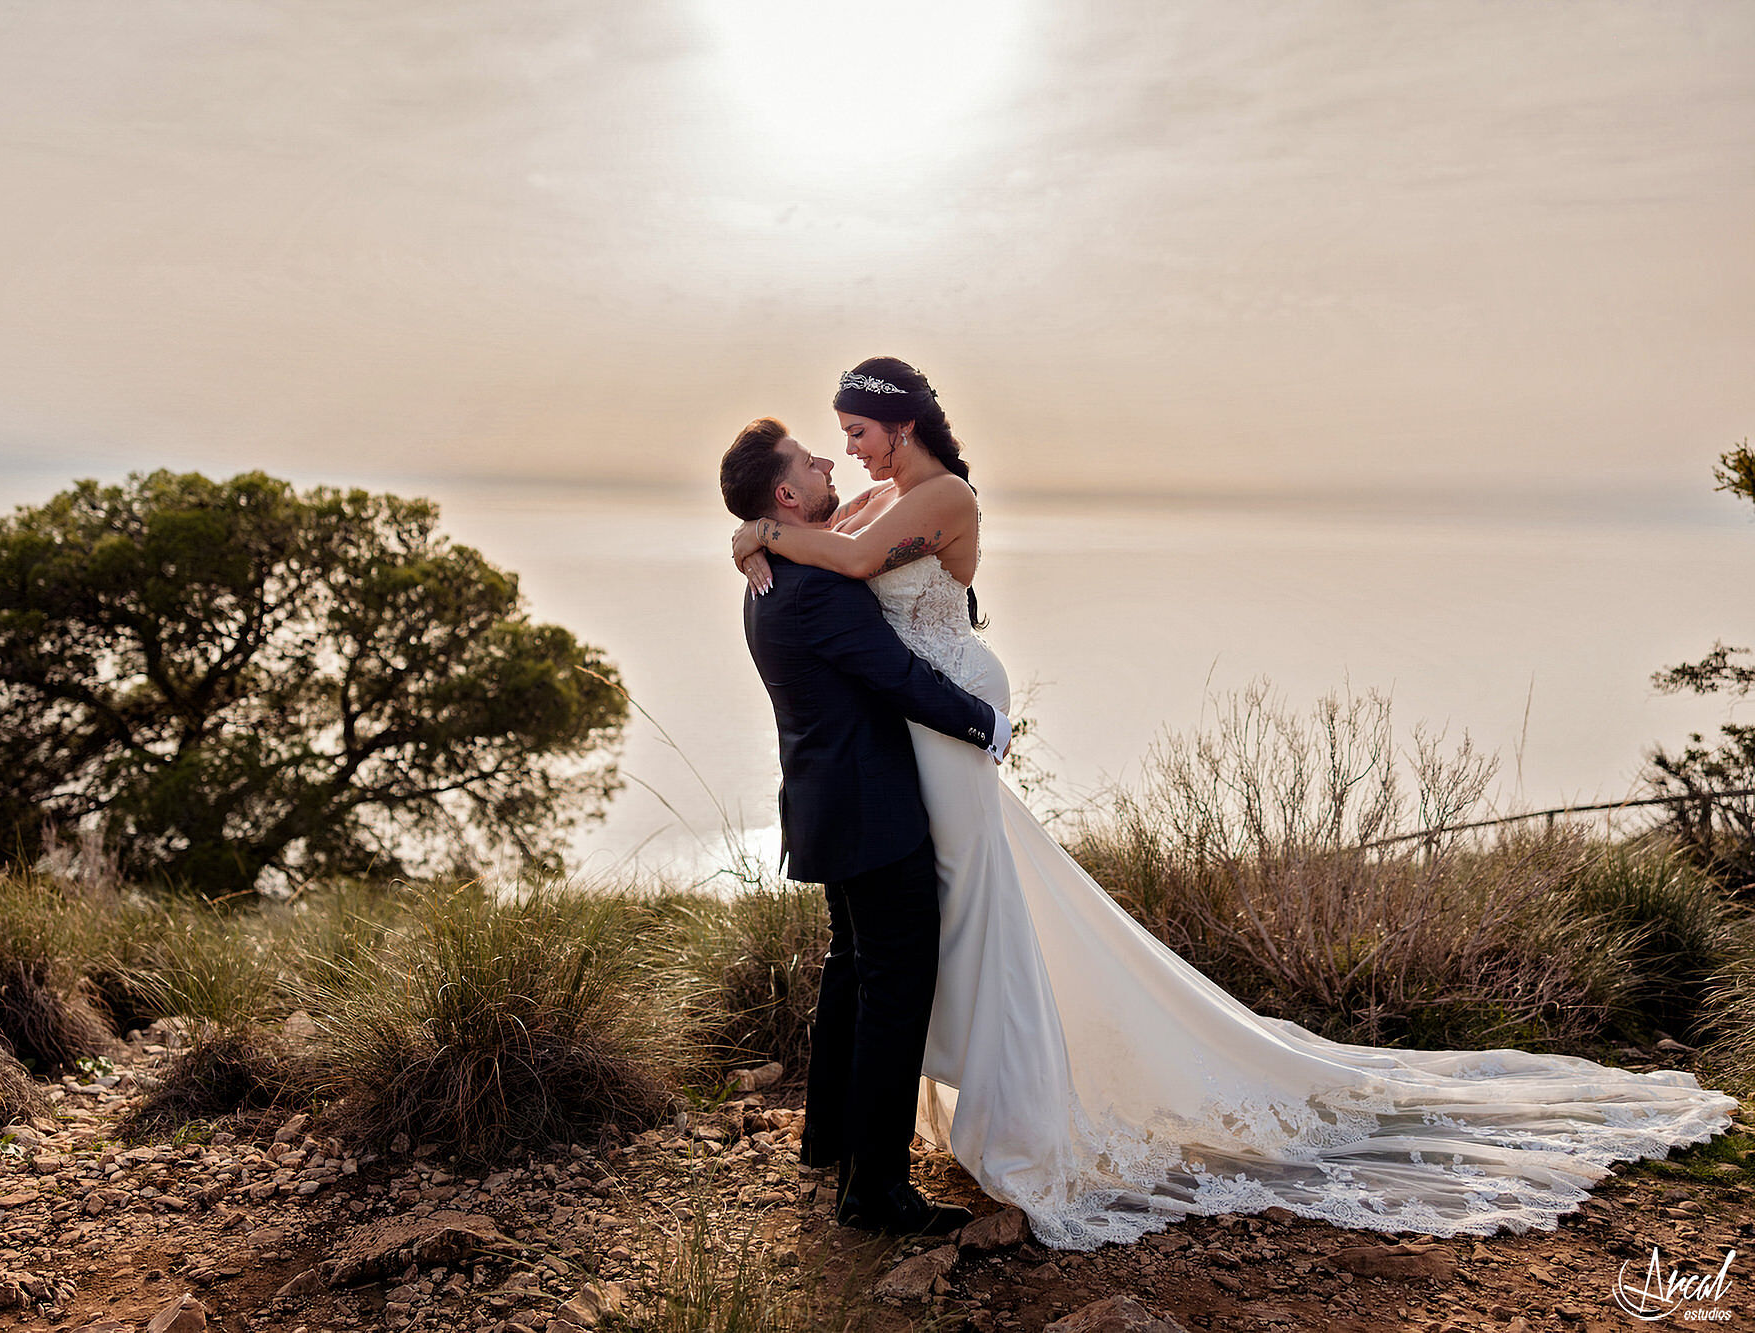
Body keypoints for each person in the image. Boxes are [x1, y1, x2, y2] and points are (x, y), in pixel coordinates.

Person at [727, 355, 1744, 1250]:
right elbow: (837, 549)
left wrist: (762, 531)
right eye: (831, 444)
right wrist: (762, 532)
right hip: (914, 744)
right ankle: (902, 1136)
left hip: (945, 721)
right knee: (923, 933)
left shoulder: (940, 495)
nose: (845, 452)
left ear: (898, 423)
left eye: (855, 433)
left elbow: (848, 561)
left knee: (951, 917)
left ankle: (983, 1118)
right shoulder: (867, 501)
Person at [719, 416, 1012, 1237]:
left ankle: (828, 1139)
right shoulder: (818, 587)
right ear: (787, 494)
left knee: (850, 968)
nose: (828, 461)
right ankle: (875, 1189)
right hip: (870, 811)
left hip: (824, 804)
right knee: (895, 986)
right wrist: (985, 723)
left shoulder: (771, 576)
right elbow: (899, 676)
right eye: (810, 461)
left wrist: (751, 535)